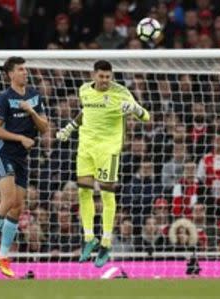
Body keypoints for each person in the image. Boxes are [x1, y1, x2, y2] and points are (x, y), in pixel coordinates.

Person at [56, 60, 149, 267]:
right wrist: (69, 128)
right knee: (83, 192)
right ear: (93, 75)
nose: (105, 80)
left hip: (108, 150)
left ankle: (106, 242)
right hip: (85, 148)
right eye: (101, 76)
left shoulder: (122, 92)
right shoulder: (84, 90)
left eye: (108, 77)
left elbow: (146, 117)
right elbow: (85, 112)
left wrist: (134, 108)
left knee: (107, 194)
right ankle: (89, 238)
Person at [0, 56, 48, 277]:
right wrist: (20, 138)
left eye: (25, 69)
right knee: (7, 200)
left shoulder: (34, 96)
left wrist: (31, 112)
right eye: (20, 69)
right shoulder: (3, 99)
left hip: (21, 158)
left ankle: (3, 255)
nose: (25, 73)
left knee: (18, 207)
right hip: (3, 153)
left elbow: (44, 127)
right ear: (10, 74)